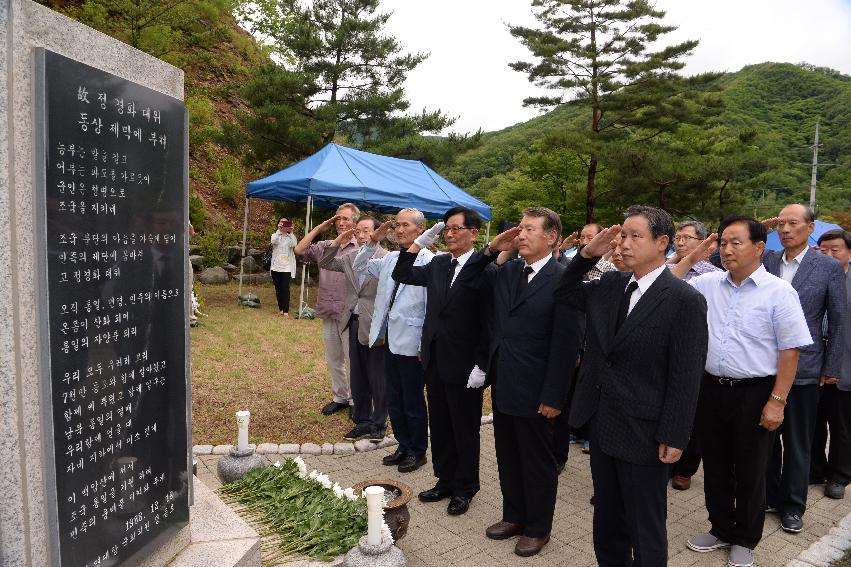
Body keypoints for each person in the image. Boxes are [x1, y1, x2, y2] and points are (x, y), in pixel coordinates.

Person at [554, 205, 709, 567]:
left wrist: (675, 434)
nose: (623, 243)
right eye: (622, 234)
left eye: (634, 236)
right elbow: (563, 295)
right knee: (607, 518)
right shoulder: (609, 285)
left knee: (645, 524)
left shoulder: (684, 300)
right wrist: (585, 257)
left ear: (662, 243)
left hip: (647, 431)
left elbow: (686, 375)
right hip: (604, 423)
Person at [672, 216, 811, 567]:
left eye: (737, 242)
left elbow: (790, 351)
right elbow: (667, 282)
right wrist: (692, 255)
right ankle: (720, 527)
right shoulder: (707, 283)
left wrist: (777, 402)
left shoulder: (779, 292)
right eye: (724, 243)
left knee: (751, 470)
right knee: (716, 465)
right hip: (711, 389)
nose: (727, 250)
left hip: (755, 392)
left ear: (759, 248)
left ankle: (746, 538)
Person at [392, 207, 519, 515]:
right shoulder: (438, 264)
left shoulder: (486, 271)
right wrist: (418, 244)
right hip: (435, 360)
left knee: (464, 429)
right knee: (441, 424)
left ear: (473, 233)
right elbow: (402, 273)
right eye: (446, 229)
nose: (449, 234)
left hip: (466, 365)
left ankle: (466, 487)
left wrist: (482, 365)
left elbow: (491, 322)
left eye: (456, 229)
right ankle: (444, 480)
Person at [483, 207, 575, 557]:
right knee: (508, 457)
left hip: (539, 391)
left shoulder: (563, 278)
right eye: (519, 229)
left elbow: (567, 345)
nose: (521, 234)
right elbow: (476, 278)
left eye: (529, 229)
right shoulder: (509, 272)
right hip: (506, 382)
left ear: (551, 237)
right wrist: (494, 248)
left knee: (537, 463)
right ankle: (515, 516)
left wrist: (554, 396)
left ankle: (538, 528)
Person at [764, 204, 846, 533]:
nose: (784, 229)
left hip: (806, 367)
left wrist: (832, 364)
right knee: (765, 440)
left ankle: (793, 505)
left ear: (809, 228)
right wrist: (762, 224)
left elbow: (838, 319)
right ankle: (768, 495)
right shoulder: (766, 260)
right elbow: (723, 253)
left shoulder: (827, 267)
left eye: (792, 223)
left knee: (798, 442)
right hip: (763, 364)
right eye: (780, 223)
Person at [352, 209, 433, 473]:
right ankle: (402, 444)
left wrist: (424, 344)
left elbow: (431, 307)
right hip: (388, 339)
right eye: (396, 225)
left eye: (405, 225)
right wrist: (372, 241)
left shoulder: (430, 260)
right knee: (394, 399)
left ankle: (417, 450)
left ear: (420, 229)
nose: (399, 230)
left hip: (412, 342)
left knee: (412, 399)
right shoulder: (390, 258)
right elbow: (359, 266)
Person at [318, 216, 387, 442]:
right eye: (358, 231)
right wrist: (339, 240)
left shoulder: (386, 258)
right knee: (357, 376)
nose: (361, 235)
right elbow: (325, 262)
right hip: (352, 321)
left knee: (377, 376)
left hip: (375, 324)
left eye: (366, 230)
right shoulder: (350, 257)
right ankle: (362, 420)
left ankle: (379, 422)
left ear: (377, 232)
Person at [666, 220, 722, 491]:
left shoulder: (712, 274)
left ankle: (686, 468)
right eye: (677, 237)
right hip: (662, 348)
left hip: (695, 350)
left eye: (687, 237)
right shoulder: (664, 268)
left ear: (703, 243)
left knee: (693, 411)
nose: (680, 242)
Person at [294, 203, 360, 416]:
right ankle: (340, 397)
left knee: (352, 360)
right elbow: (299, 250)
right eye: (337, 219)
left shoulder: (361, 247)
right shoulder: (325, 245)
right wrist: (319, 228)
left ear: (355, 222)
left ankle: (355, 400)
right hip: (328, 308)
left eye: (346, 219)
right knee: (334, 359)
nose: (341, 223)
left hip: (350, 313)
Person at [810, 229, 851, 500]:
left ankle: (839, 475)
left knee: (842, 426)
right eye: (824, 249)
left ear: (849, 251)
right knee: (811, 423)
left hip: (845, 364)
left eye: (835, 249)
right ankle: (814, 469)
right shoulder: (815, 277)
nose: (829, 254)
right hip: (812, 364)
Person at [270, 217, 298, 317]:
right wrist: (279, 231)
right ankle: (281, 309)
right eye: (281, 222)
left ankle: (286, 311)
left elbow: (294, 244)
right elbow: (274, 241)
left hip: (287, 267)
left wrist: (291, 232)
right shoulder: (275, 235)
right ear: (278, 224)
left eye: (285, 222)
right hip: (275, 266)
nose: (283, 224)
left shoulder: (291, 237)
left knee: (285, 288)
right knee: (278, 288)